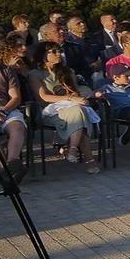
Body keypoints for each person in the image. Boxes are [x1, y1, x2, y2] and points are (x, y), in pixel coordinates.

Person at [30, 42, 98, 172]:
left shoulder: (68, 71)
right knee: (80, 115)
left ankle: (72, 149)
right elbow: (44, 97)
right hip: (51, 111)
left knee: (79, 112)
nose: (58, 54)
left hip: (71, 109)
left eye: (59, 51)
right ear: (43, 55)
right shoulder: (35, 74)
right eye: (53, 52)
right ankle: (87, 159)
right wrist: (70, 98)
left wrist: (81, 96)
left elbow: (75, 91)